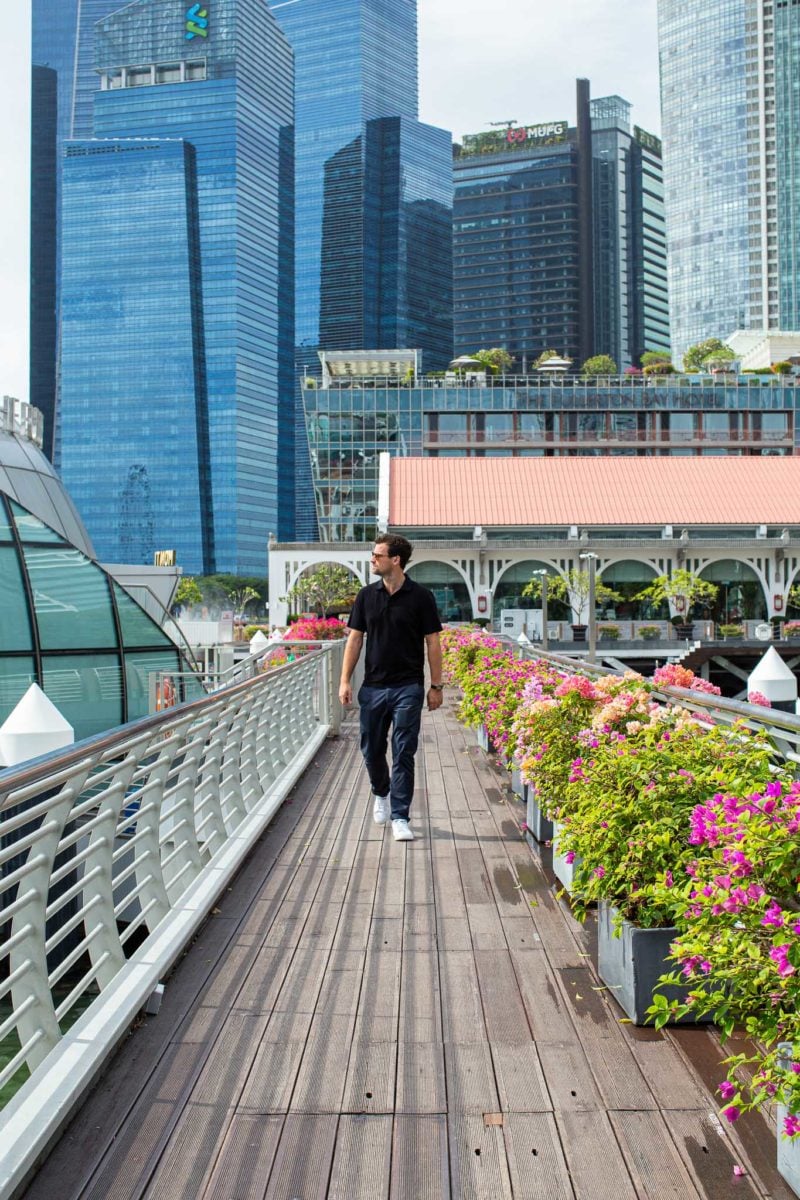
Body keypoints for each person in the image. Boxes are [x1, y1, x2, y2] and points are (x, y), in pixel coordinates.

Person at [339, 534, 444, 841]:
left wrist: (436, 685)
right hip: (372, 687)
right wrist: (345, 680)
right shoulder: (365, 596)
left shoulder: (421, 597)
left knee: (403, 750)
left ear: (395, 560)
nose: (372, 559)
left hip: (408, 686)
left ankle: (400, 815)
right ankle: (380, 792)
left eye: (377, 555)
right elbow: (355, 639)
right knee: (371, 749)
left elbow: (433, 642)